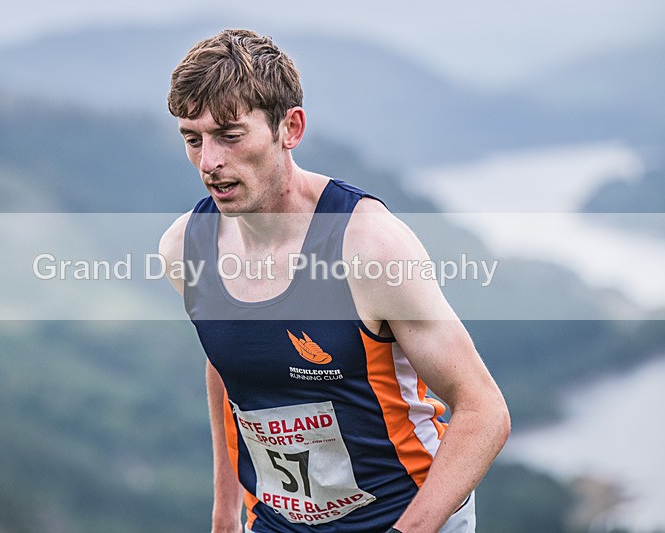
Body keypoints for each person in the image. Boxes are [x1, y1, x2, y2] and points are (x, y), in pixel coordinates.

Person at [159, 29, 510, 533]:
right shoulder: (184, 249)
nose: (209, 163)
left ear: (290, 128)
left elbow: (484, 410)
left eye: (230, 135)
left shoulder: (369, 246)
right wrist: (225, 512)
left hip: (406, 516)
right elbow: (228, 364)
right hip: (277, 523)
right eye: (193, 140)